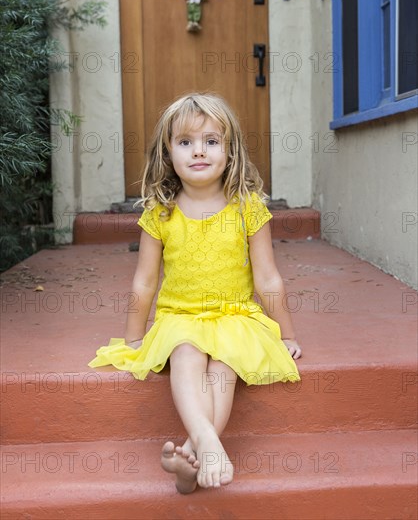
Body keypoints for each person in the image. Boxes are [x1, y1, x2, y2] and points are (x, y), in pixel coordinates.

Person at [88, 93, 302, 494]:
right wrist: (135, 336)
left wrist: (287, 334)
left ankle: (192, 451)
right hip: (180, 318)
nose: (198, 151)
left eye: (211, 141)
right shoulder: (160, 212)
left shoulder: (247, 208)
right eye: (185, 142)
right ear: (168, 153)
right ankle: (207, 444)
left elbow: (268, 278)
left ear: (230, 150)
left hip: (235, 315)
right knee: (187, 352)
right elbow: (145, 282)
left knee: (223, 366)